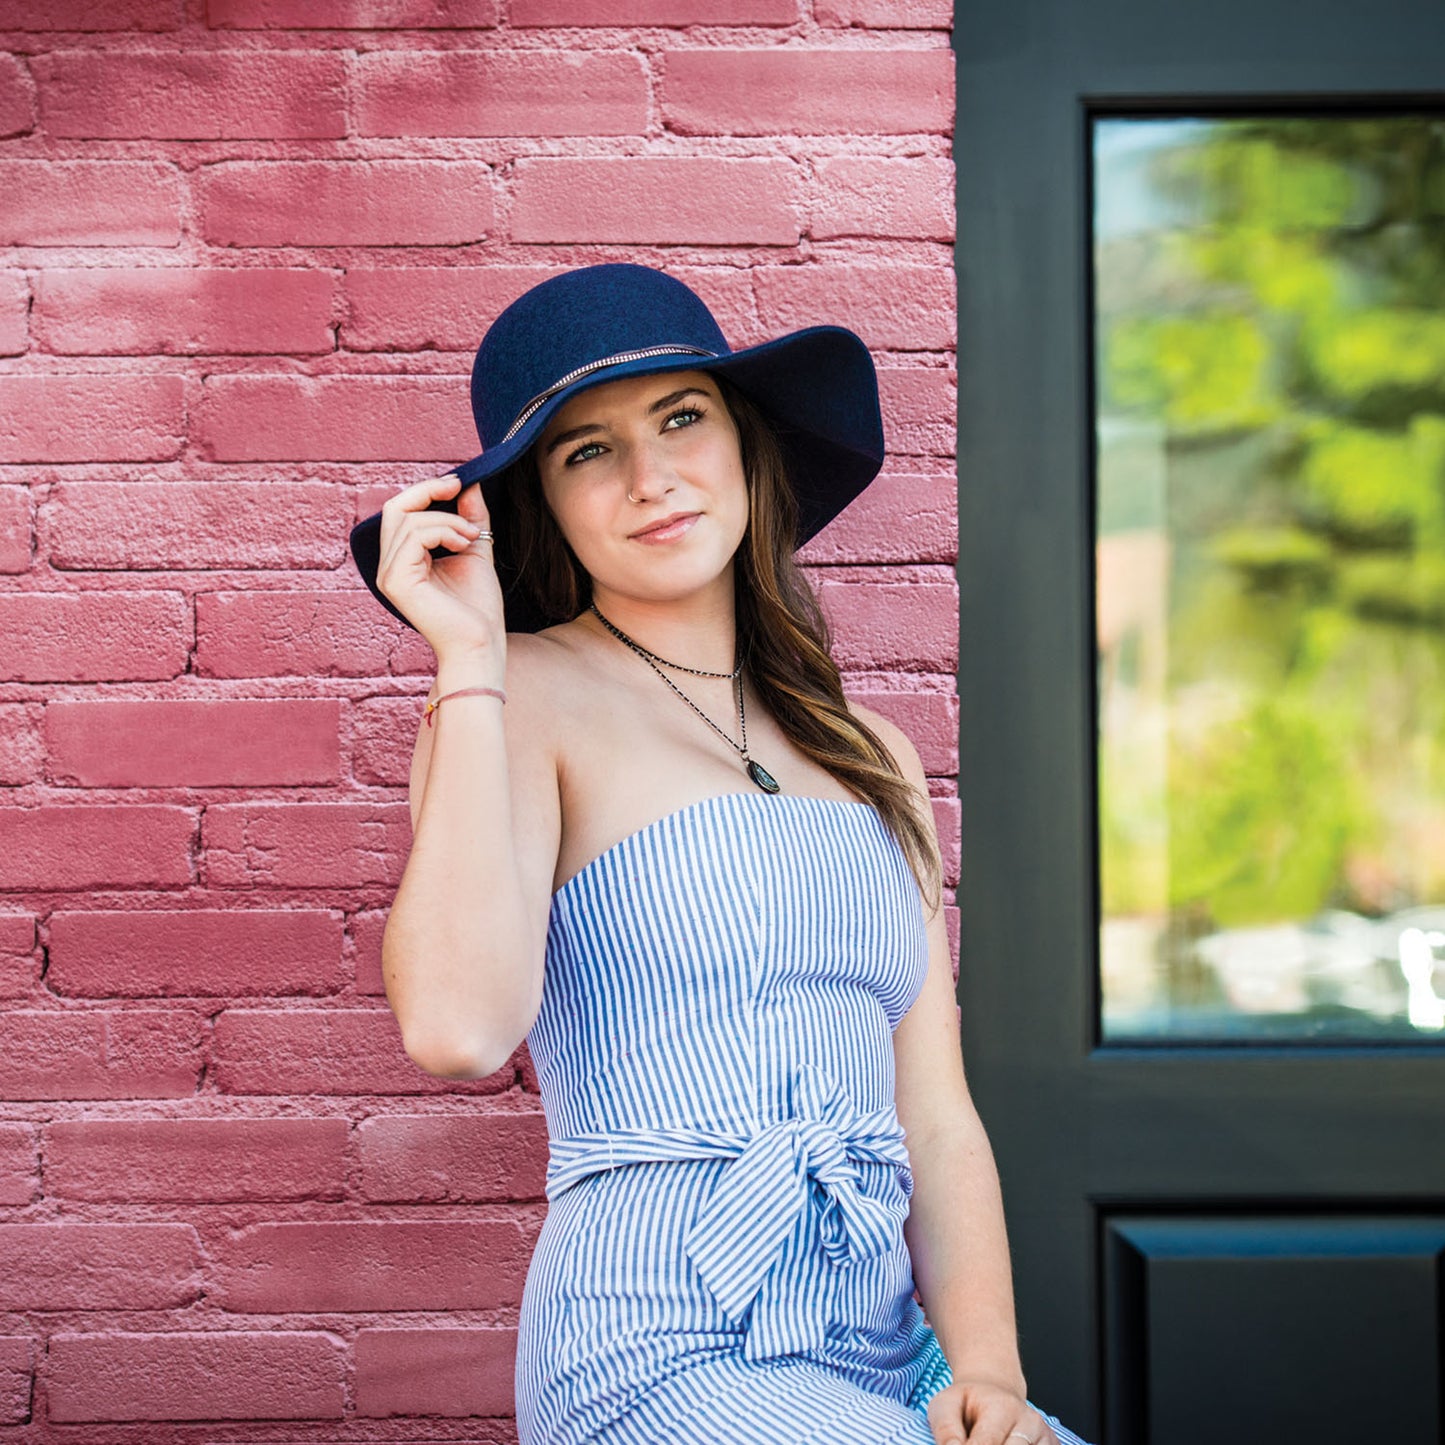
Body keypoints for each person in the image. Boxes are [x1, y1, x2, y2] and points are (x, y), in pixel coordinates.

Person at [348, 264, 1094, 1445]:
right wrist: (464, 658)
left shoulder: (872, 755)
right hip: (656, 1341)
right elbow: (456, 1029)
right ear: (539, 502)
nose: (651, 479)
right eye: (586, 450)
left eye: (680, 418)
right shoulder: (519, 697)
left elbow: (934, 1113)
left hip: (890, 1348)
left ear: (744, 442)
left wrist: (990, 1371)